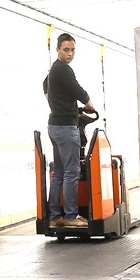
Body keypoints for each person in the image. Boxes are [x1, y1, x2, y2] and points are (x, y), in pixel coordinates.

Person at [44, 33, 96, 229]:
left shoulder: (53, 72)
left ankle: (55, 215)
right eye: (66, 50)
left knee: (58, 172)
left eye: (73, 50)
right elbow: (78, 90)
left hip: (55, 125)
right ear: (57, 49)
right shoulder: (63, 70)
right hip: (65, 127)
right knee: (72, 171)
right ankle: (71, 215)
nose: (70, 54)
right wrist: (89, 104)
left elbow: (51, 92)